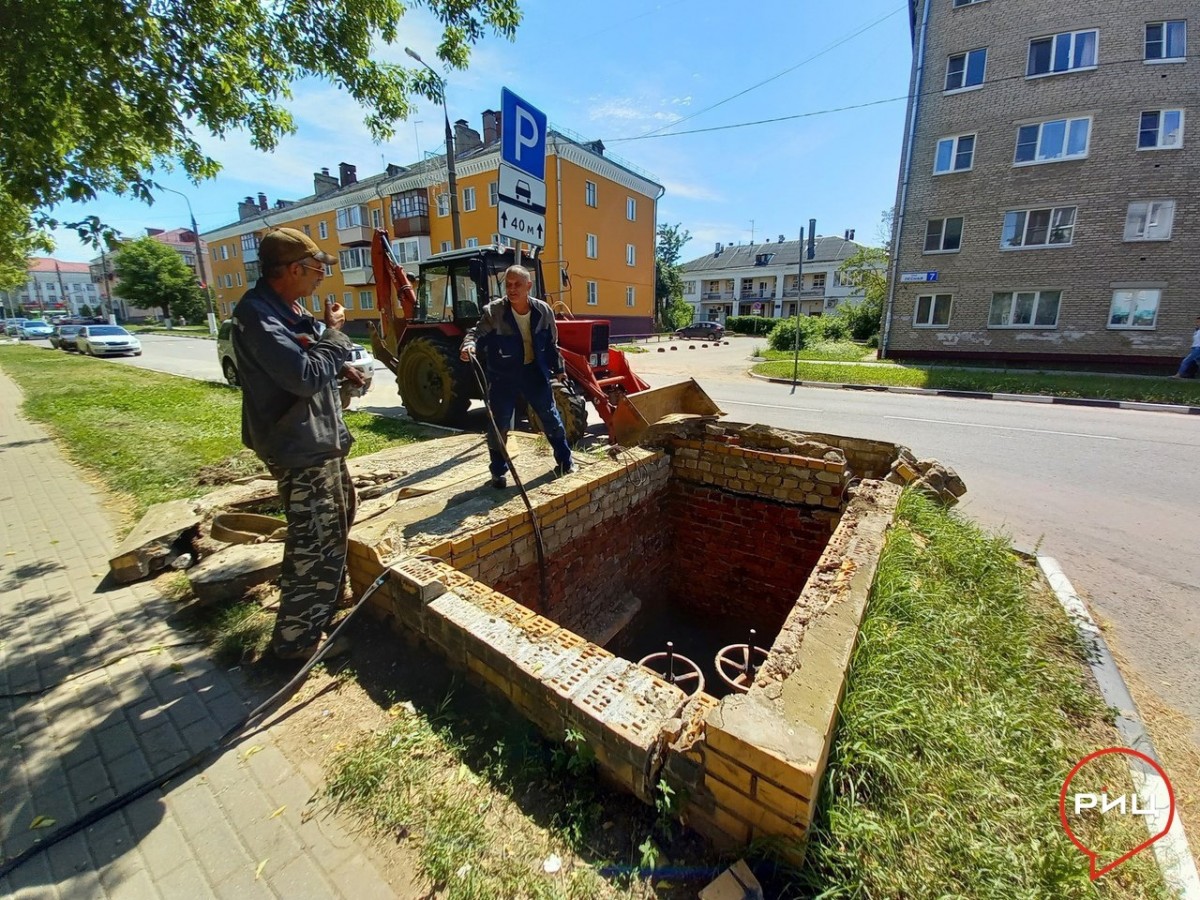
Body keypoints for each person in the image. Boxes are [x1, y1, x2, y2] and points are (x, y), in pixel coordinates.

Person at [229, 227, 366, 662]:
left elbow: (310, 356)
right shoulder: (257, 316)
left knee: (338, 522)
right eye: (315, 270)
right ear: (292, 269)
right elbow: (303, 376)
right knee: (314, 543)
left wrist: (342, 369)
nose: (320, 278)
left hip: (320, 444)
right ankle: (294, 645)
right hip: (298, 448)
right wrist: (335, 336)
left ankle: (325, 610)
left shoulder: (286, 310)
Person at [459, 265, 575, 488]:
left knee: (550, 417)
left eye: (517, 285)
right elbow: (476, 333)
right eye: (508, 285)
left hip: (534, 372)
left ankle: (565, 461)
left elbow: (552, 345)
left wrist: (559, 370)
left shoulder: (543, 312)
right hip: (503, 375)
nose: (512, 289)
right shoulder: (494, 312)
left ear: (528, 286)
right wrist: (469, 346)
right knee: (499, 424)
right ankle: (498, 473)